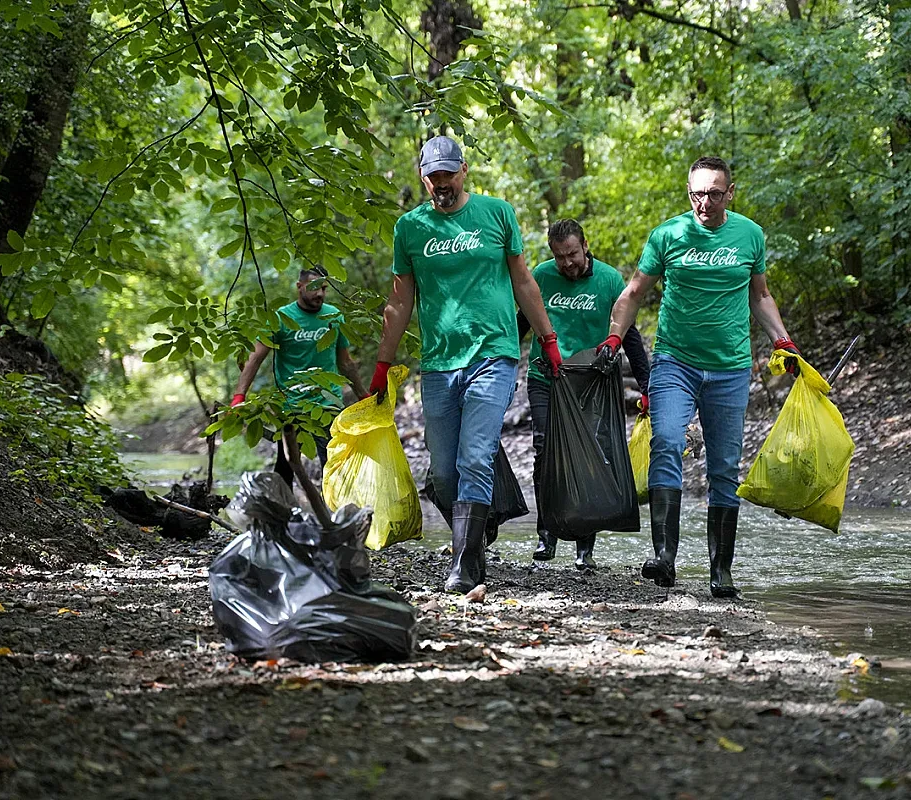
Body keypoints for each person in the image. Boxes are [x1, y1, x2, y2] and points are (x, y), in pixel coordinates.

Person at [597, 156, 799, 599]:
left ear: (730, 192)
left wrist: (782, 340)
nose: (703, 201)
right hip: (675, 361)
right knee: (666, 441)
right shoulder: (668, 235)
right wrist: (614, 339)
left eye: (712, 193)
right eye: (696, 193)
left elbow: (760, 295)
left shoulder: (749, 235)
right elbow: (633, 294)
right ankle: (665, 558)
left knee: (724, 468)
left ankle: (720, 572)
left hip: (729, 368)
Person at [370, 135, 561, 594]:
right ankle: (473, 546)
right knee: (442, 469)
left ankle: (462, 564)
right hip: (438, 362)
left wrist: (548, 338)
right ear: (423, 176)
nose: (442, 184)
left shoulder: (496, 213)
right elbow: (400, 300)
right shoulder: (410, 228)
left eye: (448, 174)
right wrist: (382, 362)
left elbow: (523, 281)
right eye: (433, 176)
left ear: (464, 170)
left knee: (476, 454)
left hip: (494, 353)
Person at [517, 219, 651, 570]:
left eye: (572, 254)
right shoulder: (542, 276)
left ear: (585, 246)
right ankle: (546, 533)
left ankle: (583, 546)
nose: (567, 263)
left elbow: (630, 336)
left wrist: (647, 387)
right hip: (546, 377)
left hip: (592, 383)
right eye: (560, 256)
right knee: (546, 452)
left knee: (589, 456)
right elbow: (520, 323)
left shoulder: (608, 281)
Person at [231, 265, 368, 488]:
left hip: (328, 403)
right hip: (291, 405)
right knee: (286, 464)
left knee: (334, 465)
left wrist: (363, 395)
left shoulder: (334, 316)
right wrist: (239, 397)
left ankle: (337, 517)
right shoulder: (281, 317)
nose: (320, 294)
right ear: (299, 287)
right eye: (314, 288)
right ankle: (283, 515)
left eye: (324, 288)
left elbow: (345, 362)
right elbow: (255, 358)